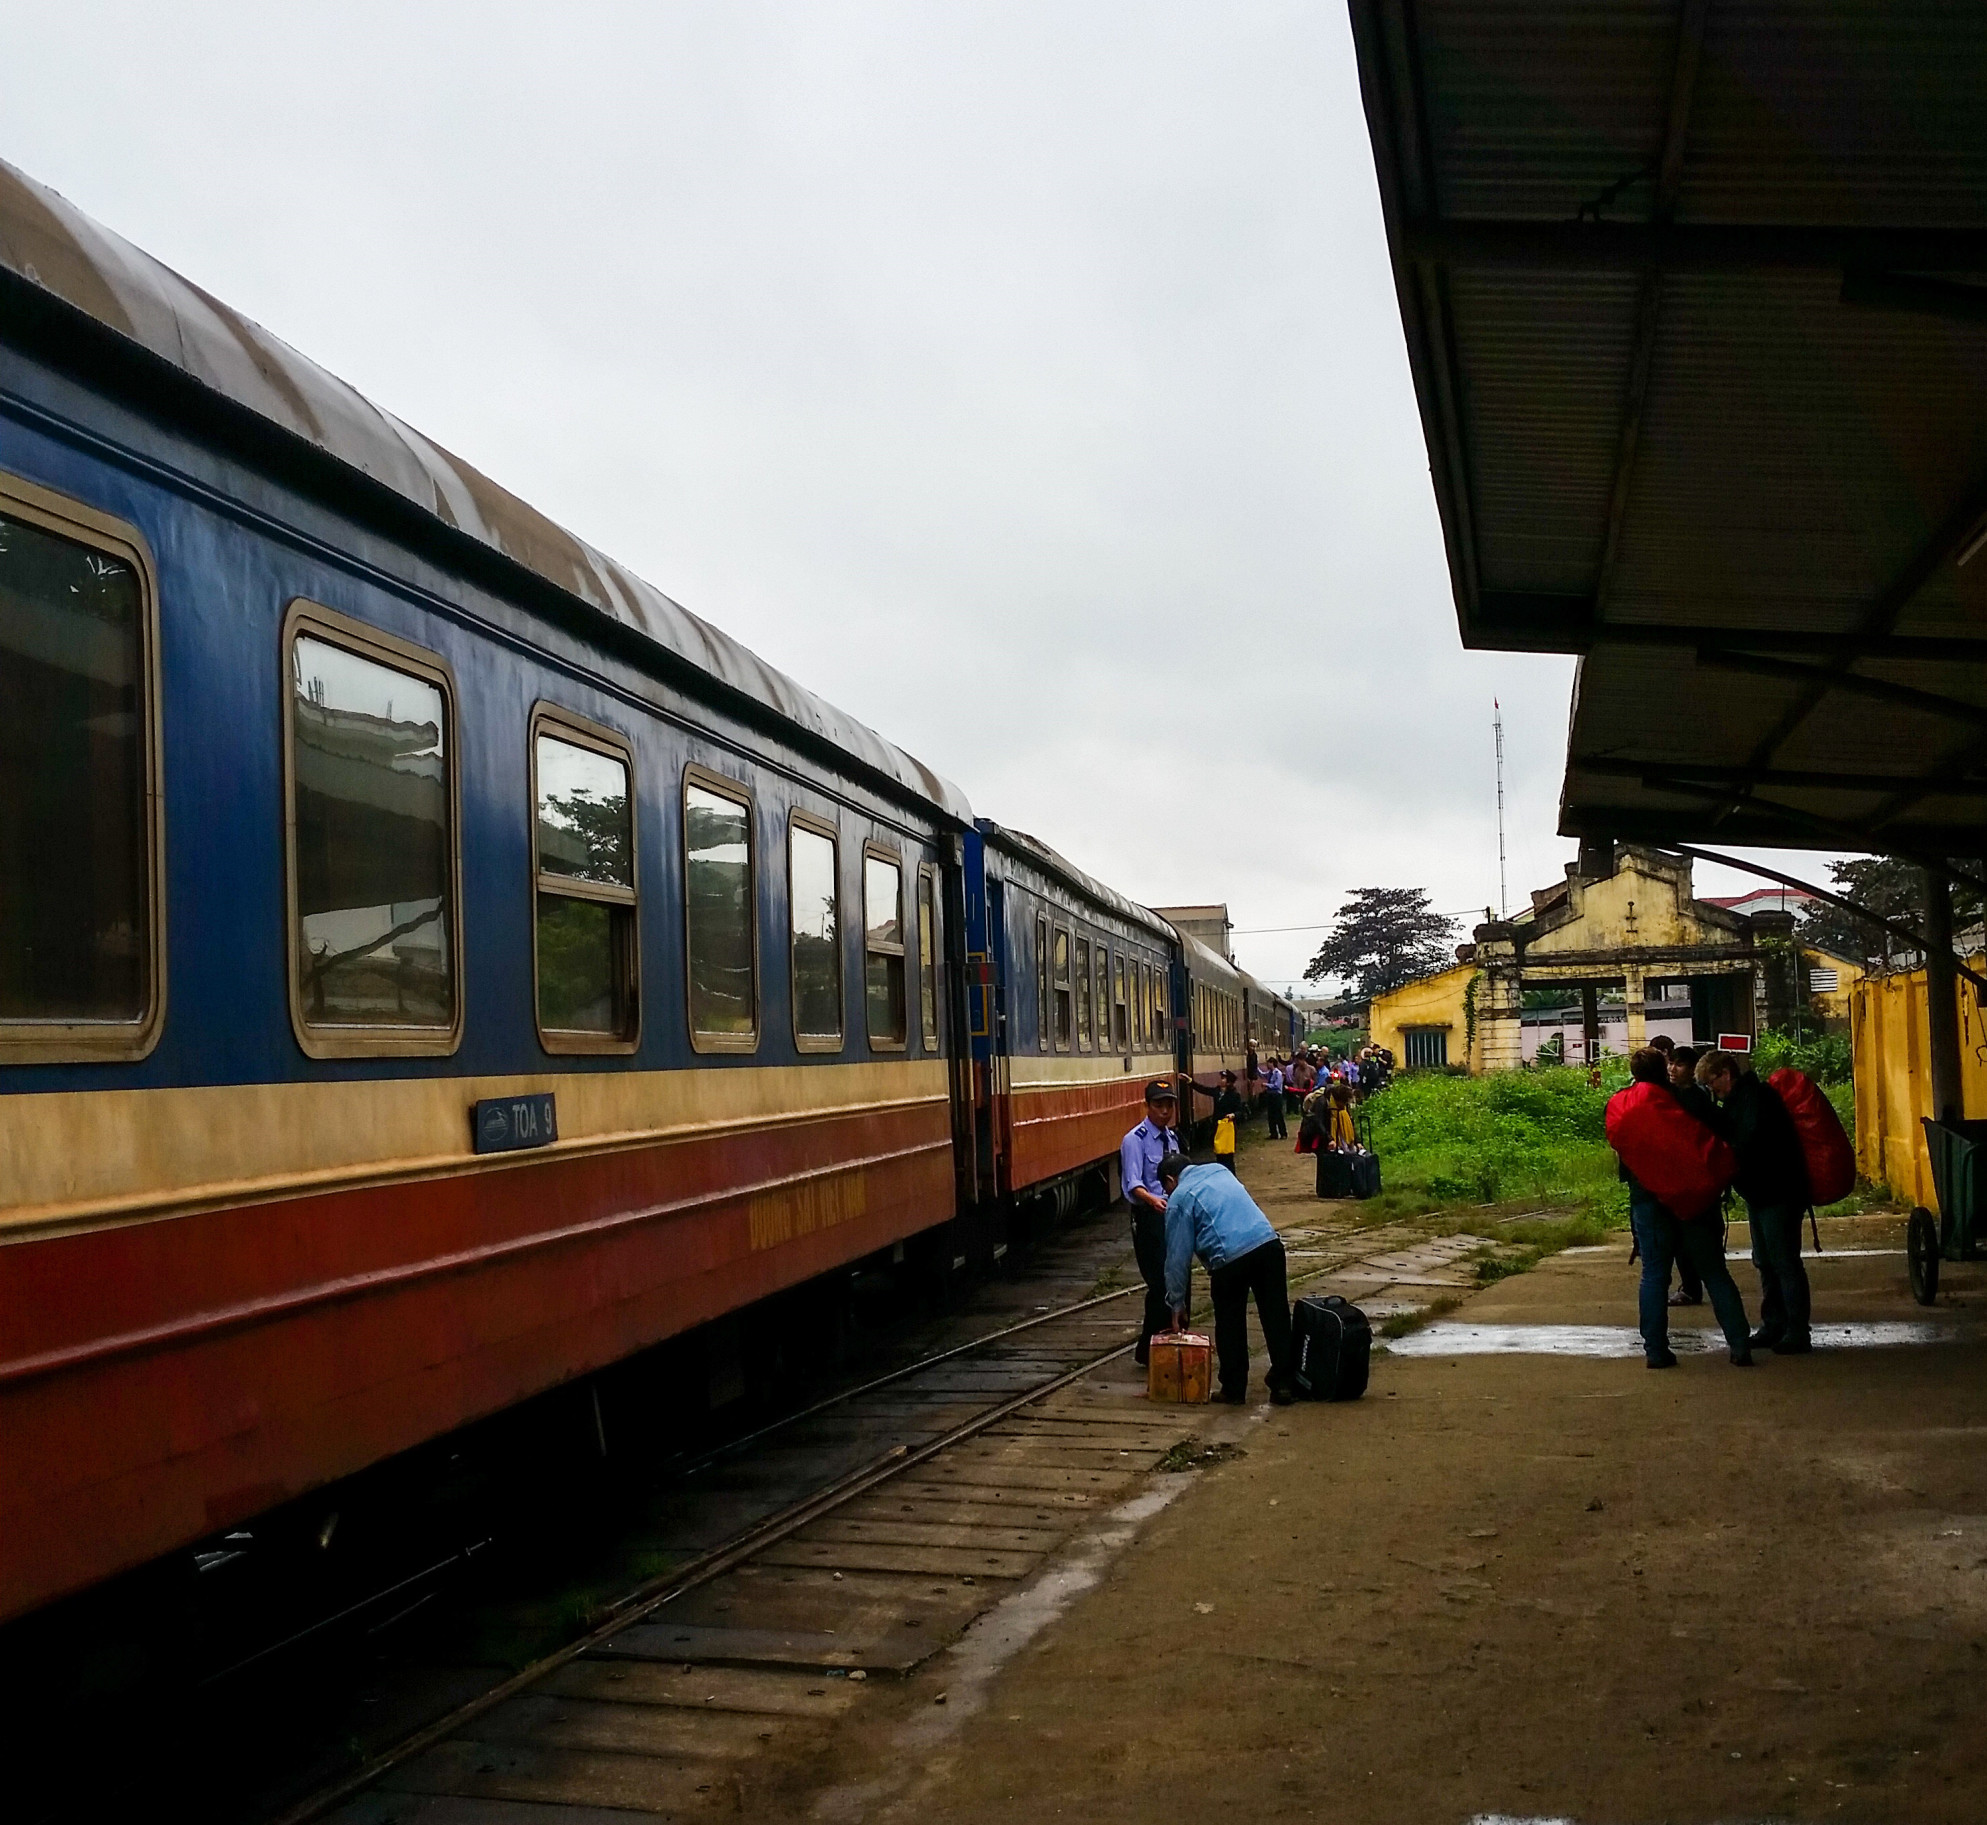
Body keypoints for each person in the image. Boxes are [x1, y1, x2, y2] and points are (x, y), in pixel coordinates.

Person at [1610, 1047, 1754, 1368]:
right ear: (1664, 1071)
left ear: (1635, 1075)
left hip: (1648, 1203)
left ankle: (1656, 1351)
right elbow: (1716, 1138)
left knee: (1654, 1276)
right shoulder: (1688, 1100)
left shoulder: (1623, 1105)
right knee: (1715, 1273)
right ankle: (1740, 1345)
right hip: (1694, 1202)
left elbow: (1620, 1148)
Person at [1698, 1047, 1813, 1353]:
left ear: (1726, 1074)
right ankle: (1776, 1325)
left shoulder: (1755, 1100)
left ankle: (1796, 1331)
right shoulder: (1743, 1100)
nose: (1713, 1090)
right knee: (1766, 1262)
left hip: (1777, 1191)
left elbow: (1746, 1142)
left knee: (1784, 1263)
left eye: (1713, 1083)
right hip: (1762, 1192)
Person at [1156, 1151, 1295, 1404]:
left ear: (1169, 1180)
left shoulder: (1179, 1197)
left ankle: (1234, 1387)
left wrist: (1176, 1304)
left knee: (1230, 1322)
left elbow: (1177, 1258)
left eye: (1166, 1189)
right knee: (1276, 1315)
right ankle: (1285, 1384)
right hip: (1268, 1245)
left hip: (1229, 1259)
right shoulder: (1220, 1170)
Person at [1119, 1080, 1183, 1367]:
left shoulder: (1172, 1139)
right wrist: (1152, 1200)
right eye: (1159, 1105)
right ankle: (1148, 1349)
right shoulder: (1135, 1139)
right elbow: (1133, 1182)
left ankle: (1170, 1343)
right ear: (1148, 1106)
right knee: (1159, 1284)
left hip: (1172, 1215)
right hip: (1149, 1217)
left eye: (1169, 1105)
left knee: (1177, 1280)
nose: (1165, 1111)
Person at [1185, 1070, 1245, 1172]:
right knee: (1219, 1154)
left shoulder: (1234, 1095)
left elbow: (1240, 1111)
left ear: (1229, 1082)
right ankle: (1222, 1173)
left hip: (1227, 1129)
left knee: (1228, 1155)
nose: (1221, 1080)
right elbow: (1203, 1089)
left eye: (1223, 1078)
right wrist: (1190, 1081)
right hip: (1217, 1128)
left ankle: (1230, 1175)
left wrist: (1233, 1115)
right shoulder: (1217, 1092)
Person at [1263, 1057, 1287, 1139]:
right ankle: (1273, 1133)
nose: (1267, 1065)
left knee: (1278, 1115)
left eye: (1268, 1063)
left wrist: (1267, 1085)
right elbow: (1262, 1074)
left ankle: (1283, 1133)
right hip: (1270, 1095)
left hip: (1277, 1096)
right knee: (1271, 1115)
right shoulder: (1270, 1073)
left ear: (1272, 1063)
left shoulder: (1278, 1073)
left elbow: (1277, 1085)